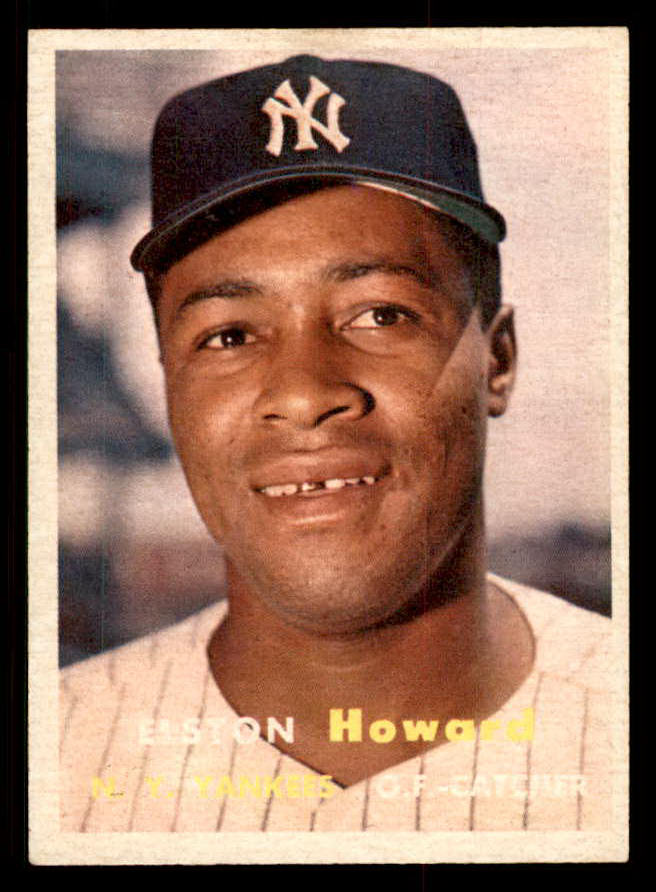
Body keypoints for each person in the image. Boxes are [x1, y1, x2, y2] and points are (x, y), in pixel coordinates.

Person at [60, 54, 612, 833]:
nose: (304, 392)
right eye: (228, 334)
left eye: (381, 315)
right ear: (169, 383)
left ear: (498, 361)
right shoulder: (57, 749)